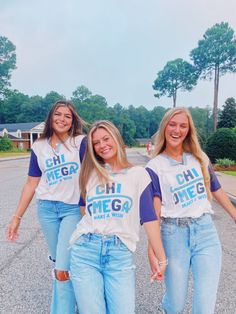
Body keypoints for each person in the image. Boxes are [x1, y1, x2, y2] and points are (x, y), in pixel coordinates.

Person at [69, 120, 167, 314]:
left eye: (106, 139)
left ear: (116, 138)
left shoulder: (139, 174)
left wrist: (161, 258)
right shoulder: (89, 174)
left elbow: (149, 218)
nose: (102, 145)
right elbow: (84, 210)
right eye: (96, 143)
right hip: (85, 251)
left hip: (119, 252)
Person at [146, 107, 236, 314]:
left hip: (205, 232)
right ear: (165, 127)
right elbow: (155, 212)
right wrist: (152, 251)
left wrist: (234, 214)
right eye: (172, 124)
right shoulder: (154, 166)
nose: (177, 130)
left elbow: (215, 188)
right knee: (175, 304)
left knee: (205, 306)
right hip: (173, 234)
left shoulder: (199, 158)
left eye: (183, 126)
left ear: (189, 130)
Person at [6, 100, 87, 314]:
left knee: (62, 268)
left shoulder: (80, 142)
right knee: (61, 262)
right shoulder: (39, 147)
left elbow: (96, 171)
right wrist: (17, 217)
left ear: (73, 121)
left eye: (67, 116)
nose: (62, 119)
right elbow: (31, 183)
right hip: (47, 210)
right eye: (57, 114)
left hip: (72, 209)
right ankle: (74, 301)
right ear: (51, 118)